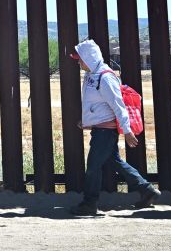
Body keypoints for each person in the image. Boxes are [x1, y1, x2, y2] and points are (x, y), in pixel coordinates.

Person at [67, 39, 160, 215]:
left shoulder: (105, 77)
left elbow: (118, 106)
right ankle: (147, 190)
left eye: (80, 59)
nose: (78, 62)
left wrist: (127, 130)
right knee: (115, 162)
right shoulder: (92, 75)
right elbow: (97, 105)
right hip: (101, 129)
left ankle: (90, 203)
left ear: (89, 57)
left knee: (93, 166)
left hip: (105, 132)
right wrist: (87, 122)